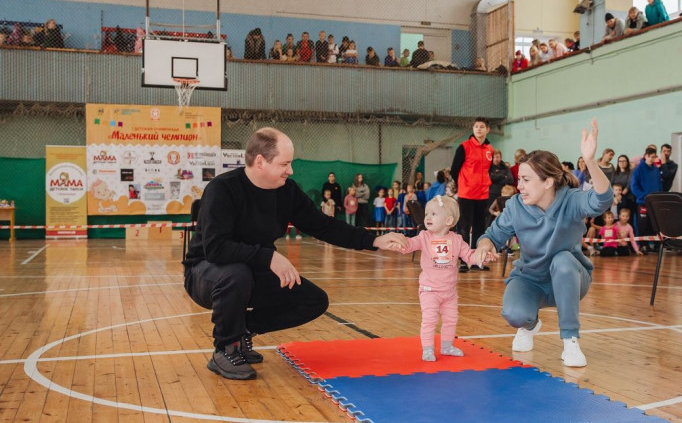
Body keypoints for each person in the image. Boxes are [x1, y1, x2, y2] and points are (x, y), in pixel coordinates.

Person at [182, 128, 406, 380]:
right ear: (260, 162)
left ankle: (244, 329)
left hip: (250, 272)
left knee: (313, 300)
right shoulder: (223, 189)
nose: (291, 171)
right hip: (206, 273)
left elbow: (324, 225)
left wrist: (374, 240)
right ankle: (226, 348)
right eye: (285, 164)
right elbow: (216, 248)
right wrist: (268, 257)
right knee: (237, 274)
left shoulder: (287, 191)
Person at [473, 119, 613, 367]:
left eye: (526, 180)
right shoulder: (516, 205)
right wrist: (485, 247)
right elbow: (492, 236)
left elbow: (602, 200)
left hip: (571, 278)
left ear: (548, 181)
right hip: (531, 279)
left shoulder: (571, 200)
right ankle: (529, 324)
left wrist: (591, 162)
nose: (520, 186)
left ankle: (570, 341)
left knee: (562, 260)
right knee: (514, 314)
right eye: (519, 180)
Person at [399, 195, 476, 361]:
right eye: (427, 214)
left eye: (433, 214)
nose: (427, 217)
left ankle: (447, 347)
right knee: (429, 319)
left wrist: (482, 256)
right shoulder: (425, 237)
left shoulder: (457, 239)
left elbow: (469, 256)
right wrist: (401, 243)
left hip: (449, 292)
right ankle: (427, 349)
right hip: (429, 290)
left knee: (451, 319)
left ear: (448, 220)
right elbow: (411, 244)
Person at [451, 117, 494, 272]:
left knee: (479, 228)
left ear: (487, 129)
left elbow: (488, 171)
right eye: (476, 126)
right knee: (464, 227)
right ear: (473, 129)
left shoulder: (490, 149)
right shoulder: (464, 147)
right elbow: (454, 169)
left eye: (482, 126)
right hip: (466, 193)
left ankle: (476, 260)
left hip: (482, 194)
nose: (478, 129)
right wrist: (463, 184)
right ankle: (463, 260)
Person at [630, 147, 662, 239]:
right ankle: (643, 244)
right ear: (646, 156)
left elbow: (659, 184)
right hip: (643, 201)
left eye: (654, 157)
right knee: (643, 224)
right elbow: (634, 186)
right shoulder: (639, 169)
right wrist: (644, 196)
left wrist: (659, 196)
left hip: (654, 202)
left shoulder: (656, 169)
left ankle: (655, 245)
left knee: (654, 224)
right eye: (651, 157)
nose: (653, 159)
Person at [488, 149, 514, 226]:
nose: (496, 159)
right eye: (494, 157)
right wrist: (503, 176)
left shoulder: (505, 167)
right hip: (491, 194)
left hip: (503, 194)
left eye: (498, 157)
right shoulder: (488, 167)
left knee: (503, 214)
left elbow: (510, 179)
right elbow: (490, 178)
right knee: (490, 214)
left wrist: (496, 178)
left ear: (501, 157)